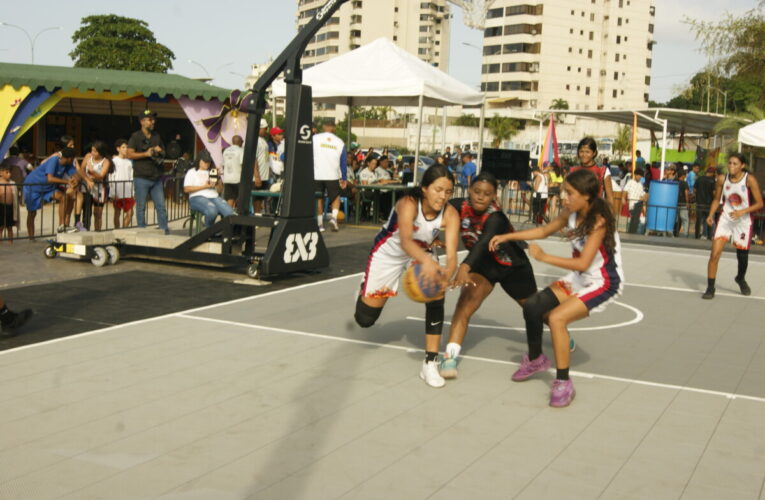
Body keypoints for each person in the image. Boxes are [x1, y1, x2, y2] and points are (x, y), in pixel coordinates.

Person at [489, 169, 623, 407]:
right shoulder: (570, 212)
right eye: (564, 192)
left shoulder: (599, 221)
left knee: (557, 319)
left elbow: (583, 262)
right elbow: (543, 231)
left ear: (586, 195)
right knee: (532, 306)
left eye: (570, 193)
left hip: (603, 282)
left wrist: (543, 257)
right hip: (580, 277)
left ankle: (563, 383)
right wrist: (507, 237)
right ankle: (535, 360)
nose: (564, 197)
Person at [354, 164, 460, 388]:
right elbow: (404, 241)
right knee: (365, 320)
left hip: (421, 252)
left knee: (436, 297)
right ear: (424, 189)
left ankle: (430, 363)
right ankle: (364, 288)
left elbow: (452, 256)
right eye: (438, 190)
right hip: (389, 253)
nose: (443, 196)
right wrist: (428, 262)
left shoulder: (450, 214)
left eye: (448, 192)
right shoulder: (407, 204)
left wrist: (447, 274)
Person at [439, 172, 539, 379]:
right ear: (469, 191)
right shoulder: (457, 206)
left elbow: (484, 242)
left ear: (494, 196)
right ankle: (450, 358)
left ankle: (563, 335)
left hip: (512, 267)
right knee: (463, 305)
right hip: (483, 267)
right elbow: (433, 216)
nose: (480, 197)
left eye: (486, 194)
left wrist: (464, 267)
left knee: (538, 311)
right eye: (476, 192)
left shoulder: (497, 217)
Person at [702, 153, 763, 299]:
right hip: (726, 218)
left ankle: (740, 278)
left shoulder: (750, 180)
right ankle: (710, 288)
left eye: (735, 163)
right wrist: (711, 214)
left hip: (743, 221)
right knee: (714, 254)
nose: (731, 166)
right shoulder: (722, 179)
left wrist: (743, 211)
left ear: (742, 166)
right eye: (730, 163)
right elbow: (717, 199)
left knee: (742, 257)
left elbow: (760, 203)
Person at [127, 109, 169, 234]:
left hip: (156, 177)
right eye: (150, 119)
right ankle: (141, 231)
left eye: (153, 119)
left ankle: (164, 231)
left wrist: (159, 151)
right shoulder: (135, 136)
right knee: (141, 207)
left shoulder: (157, 136)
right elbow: (129, 154)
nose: (153, 122)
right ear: (142, 121)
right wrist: (146, 153)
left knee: (161, 206)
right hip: (141, 177)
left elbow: (164, 153)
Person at [23, 148, 77, 237]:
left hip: (48, 188)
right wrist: (67, 182)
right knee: (32, 213)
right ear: (69, 158)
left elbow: (76, 174)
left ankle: (61, 226)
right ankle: (31, 238)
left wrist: (77, 180)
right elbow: (50, 178)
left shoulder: (68, 164)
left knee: (63, 197)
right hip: (33, 187)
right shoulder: (54, 160)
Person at [184, 151, 235, 228]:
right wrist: (204, 186)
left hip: (213, 196)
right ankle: (208, 230)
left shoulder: (211, 172)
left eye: (208, 162)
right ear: (199, 160)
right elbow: (186, 189)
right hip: (197, 197)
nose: (207, 163)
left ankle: (222, 231)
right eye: (205, 161)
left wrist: (217, 179)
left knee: (230, 212)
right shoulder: (192, 172)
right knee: (212, 211)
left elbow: (219, 190)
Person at [313, 119, 347, 232]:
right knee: (335, 197)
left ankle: (320, 224)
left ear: (323, 127)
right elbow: (343, 162)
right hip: (332, 174)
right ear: (334, 128)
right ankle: (333, 218)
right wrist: (344, 178)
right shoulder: (340, 142)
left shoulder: (314, 138)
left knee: (319, 198)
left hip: (317, 174)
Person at [570, 137, 614, 207]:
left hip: (596, 212)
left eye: (587, 152)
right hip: (577, 213)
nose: (584, 155)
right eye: (581, 151)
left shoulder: (603, 171)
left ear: (594, 153)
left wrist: (609, 216)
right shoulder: (573, 171)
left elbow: (610, 198)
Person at [79, 141, 112, 231]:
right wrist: (87, 179)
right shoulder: (88, 156)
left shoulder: (105, 161)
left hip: (99, 188)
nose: (92, 153)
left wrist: (91, 171)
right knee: (86, 212)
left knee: (97, 213)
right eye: (92, 150)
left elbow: (101, 175)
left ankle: (97, 231)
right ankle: (85, 230)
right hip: (87, 187)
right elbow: (81, 170)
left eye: (95, 151)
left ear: (100, 152)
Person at [110, 139, 134, 229]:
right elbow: (111, 177)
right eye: (123, 147)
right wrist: (112, 192)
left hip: (127, 191)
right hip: (117, 191)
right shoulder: (114, 161)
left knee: (130, 213)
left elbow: (131, 177)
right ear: (118, 149)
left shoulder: (129, 162)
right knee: (117, 213)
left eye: (126, 147)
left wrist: (132, 191)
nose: (125, 149)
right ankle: (117, 230)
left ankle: (123, 229)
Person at [222, 135, 244, 208]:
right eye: (242, 141)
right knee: (240, 199)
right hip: (238, 179)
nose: (243, 142)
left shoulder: (226, 150)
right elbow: (243, 164)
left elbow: (223, 165)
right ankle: (239, 217)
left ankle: (228, 216)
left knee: (230, 199)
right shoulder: (241, 150)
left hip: (227, 179)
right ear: (239, 142)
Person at [694, 166, 717, 240]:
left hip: (699, 203)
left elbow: (694, 190)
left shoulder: (699, 179)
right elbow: (714, 193)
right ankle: (709, 236)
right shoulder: (712, 180)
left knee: (698, 220)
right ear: (712, 173)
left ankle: (697, 235)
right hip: (708, 204)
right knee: (709, 219)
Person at [624, 168, 647, 234]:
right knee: (634, 219)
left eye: (640, 176)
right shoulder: (630, 182)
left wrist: (644, 197)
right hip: (632, 203)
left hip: (639, 203)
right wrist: (623, 198)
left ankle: (633, 231)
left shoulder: (640, 185)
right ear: (635, 175)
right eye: (638, 175)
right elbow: (625, 191)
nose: (639, 177)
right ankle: (632, 231)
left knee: (637, 219)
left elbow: (643, 194)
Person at [0, 162, 19, 242]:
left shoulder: (12, 183)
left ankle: (10, 242)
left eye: (10, 172)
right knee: (0, 227)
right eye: (7, 172)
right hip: (1, 207)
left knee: (10, 227)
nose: (9, 174)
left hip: (10, 207)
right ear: (0, 173)